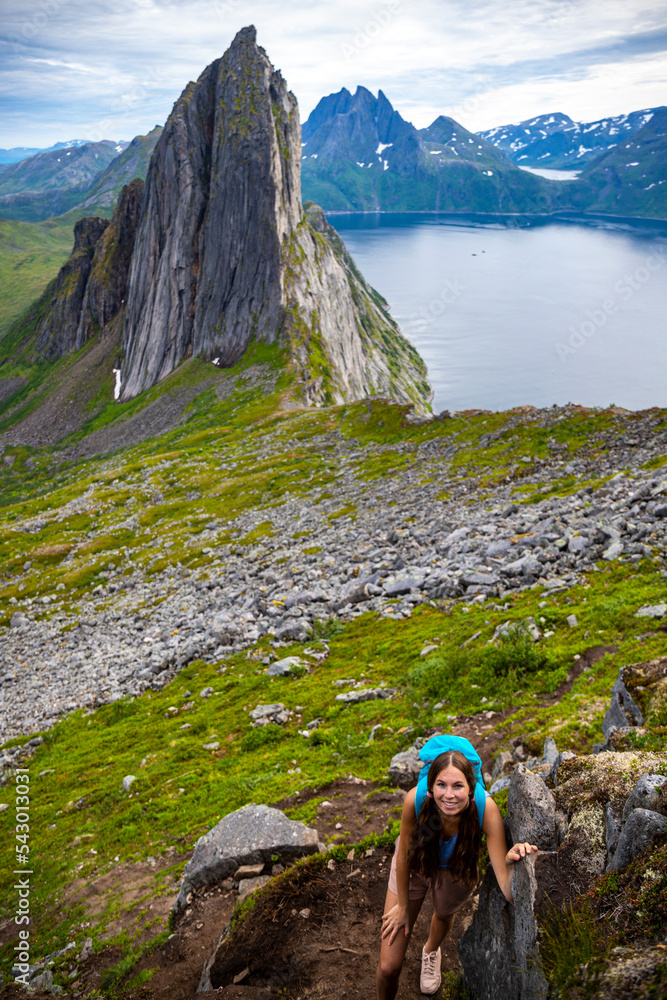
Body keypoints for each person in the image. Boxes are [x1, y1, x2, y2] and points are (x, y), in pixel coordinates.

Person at [376, 738, 537, 998]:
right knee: (388, 967)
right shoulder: (414, 801)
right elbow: (404, 856)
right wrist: (403, 906)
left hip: (457, 868)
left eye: (457, 786)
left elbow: (509, 891)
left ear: (471, 789)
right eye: (441, 784)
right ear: (430, 787)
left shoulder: (486, 809)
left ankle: (430, 950)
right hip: (416, 864)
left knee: (443, 913)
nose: (448, 795)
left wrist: (511, 863)